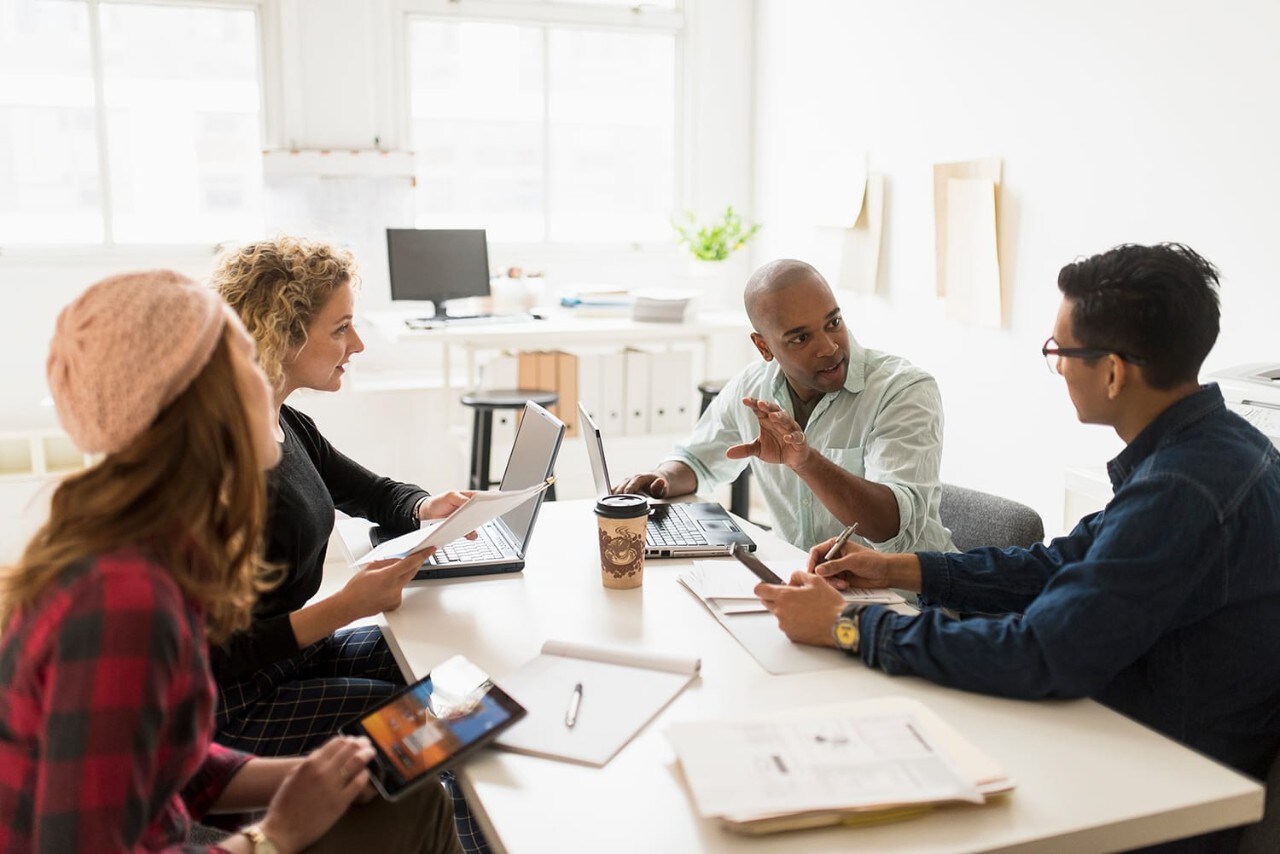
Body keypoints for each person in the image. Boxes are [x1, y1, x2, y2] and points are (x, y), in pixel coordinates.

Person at [756, 243, 1280, 854]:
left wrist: (848, 626)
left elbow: (1040, 654)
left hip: (1156, 791)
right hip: (1123, 739)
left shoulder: (1181, 491)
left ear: (1112, 372)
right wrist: (900, 567)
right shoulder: (1212, 446)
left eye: (1059, 351)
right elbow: (1063, 562)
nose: (1055, 367)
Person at [0, 270, 461, 853]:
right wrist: (275, 835)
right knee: (421, 789)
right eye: (244, 356)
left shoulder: (154, 546)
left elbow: (172, 758)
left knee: (419, 785)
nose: (263, 373)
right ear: (199, 398)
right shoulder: (123, 602)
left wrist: (306, 778)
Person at [211, 237, 488, 852]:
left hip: (288, 660)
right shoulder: (221, 462)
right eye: (340, 329)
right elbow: (211, 653)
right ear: (280, 332)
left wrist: (424, 507)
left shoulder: (286, 423)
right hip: (235, 707)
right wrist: (345, 607)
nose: (356, 346)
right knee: (434, 719)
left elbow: (374, 492)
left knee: (465, 687)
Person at [617, 258, 954, 553]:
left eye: (833, 323)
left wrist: (806, 461)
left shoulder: (903, 390)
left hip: (906, 604)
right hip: (810, 590)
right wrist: (661, 477)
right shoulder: (753, 387)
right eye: (800, 338)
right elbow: (697, 461)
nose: (828, 347)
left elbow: (891, 528)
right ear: (764, 347)